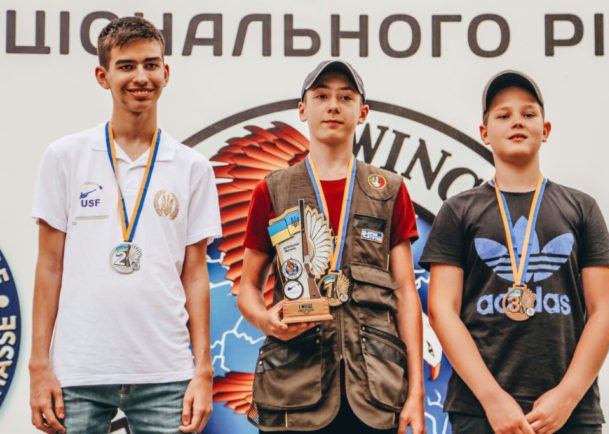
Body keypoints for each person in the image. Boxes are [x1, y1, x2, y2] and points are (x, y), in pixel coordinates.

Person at [29, 16, 220, 434]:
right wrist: (39, 365)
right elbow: (49, 267)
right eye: (126, 66)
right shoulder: (65, 157)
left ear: (166, 73)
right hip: (78, 373)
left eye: (151, 65)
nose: (141, 77)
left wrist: (202, 370)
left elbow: (195, 274)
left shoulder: (193, 167)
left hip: (166, 373)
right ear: (103, 76)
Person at [422, 70, 609, 434]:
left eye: (528, 114)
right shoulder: (458, 210)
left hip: (570, 412)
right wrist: (492, 399)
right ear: (484, 133)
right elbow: (441, 310)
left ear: (545, 129)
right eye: (503, 115)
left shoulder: (581, 208)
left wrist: (568, 395)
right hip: (480, 411)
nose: (517, 121)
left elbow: (605, 310)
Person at [237, 60, 424, 434]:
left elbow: (405, 292)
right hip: (293, 391)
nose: (334, 106)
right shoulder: (273, 189)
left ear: (362, 112)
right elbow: (247, 288)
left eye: (346, 97)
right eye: (321, 96)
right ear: (302, 109)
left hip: (374, 394)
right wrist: (264, 320)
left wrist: (416, 393)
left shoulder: (389, 190)